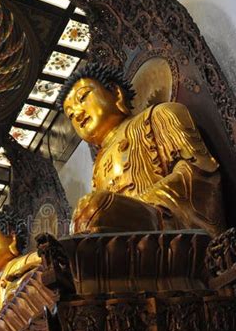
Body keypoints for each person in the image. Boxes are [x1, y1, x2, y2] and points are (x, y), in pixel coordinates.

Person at [58, 62, 225, 236]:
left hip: (165, 228)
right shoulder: (97, 168)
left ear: (116, 93)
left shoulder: (160, 115)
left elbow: (198, 175)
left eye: (83, 97)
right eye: (70, 114)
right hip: (125, 242)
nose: (77, 113)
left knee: (95, 207)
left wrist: (137, 208)